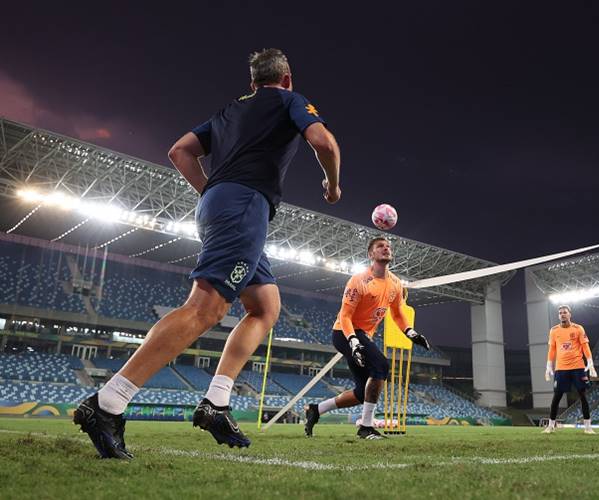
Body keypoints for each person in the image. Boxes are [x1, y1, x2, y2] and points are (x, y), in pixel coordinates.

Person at [73, 48, 342, 459]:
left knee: (265, 306)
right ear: (286, 79)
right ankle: (107, 403)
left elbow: (179, 151)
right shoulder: (290, 99)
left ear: (253, 83)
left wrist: (211, 191)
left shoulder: (229, 111)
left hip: (222, 204)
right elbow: (324, 142)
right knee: (205, 309)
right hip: (244, 207)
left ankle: (216, 402)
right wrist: (332, 184)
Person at [304, 237, 431, 439]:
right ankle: (366, 427)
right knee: (381, 366)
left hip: (364, 335)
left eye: (388, 246)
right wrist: (353, 341)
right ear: (371, 254)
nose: (386, 248)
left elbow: (397, 312)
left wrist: (410, 332)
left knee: (362, 393)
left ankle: (316, 409)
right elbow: (345, 316)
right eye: (380, 246)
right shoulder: (358, 280)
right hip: (344, 333)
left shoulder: (396, 283)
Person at [543, 305, 597, 434]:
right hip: (561, 369)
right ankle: (550, 426)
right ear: (558, 315)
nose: (562, 314)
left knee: (582, 396)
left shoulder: (578, 328)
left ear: (569, 314)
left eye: (565, 312)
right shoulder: (554, 330)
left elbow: (585, 346)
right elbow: (552, 349)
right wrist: (548, 365)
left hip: (578, 367)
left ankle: (588, 427)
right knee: (556, 397)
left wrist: (590, 363)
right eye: (560, 313)